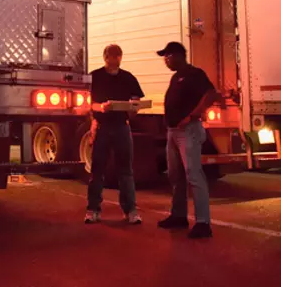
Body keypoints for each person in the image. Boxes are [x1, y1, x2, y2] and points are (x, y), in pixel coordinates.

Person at [156, 42, 216, 239]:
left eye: (168, 56)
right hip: (173, 132)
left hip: (188, 131)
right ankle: (179, 215)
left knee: (194, 175)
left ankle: (203, 222)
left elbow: (210, 94)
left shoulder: (194, 74)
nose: (165, 60)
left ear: (179, 56)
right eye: (164, 57)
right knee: (175, 175)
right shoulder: (176, 77)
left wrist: (193, 116)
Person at [85, 44, 145, 225]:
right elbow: (88, 104)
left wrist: (134, 107)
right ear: (105, 57)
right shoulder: (94, 77)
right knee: (97, 170)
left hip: (121, 126)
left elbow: (136, 101)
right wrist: (100, 108)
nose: (114, 60)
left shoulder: (128, 77)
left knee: (125, 170)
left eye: (118, 56)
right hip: (102, 126)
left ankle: (130, 210)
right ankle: (93, 209)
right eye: (111, 56)